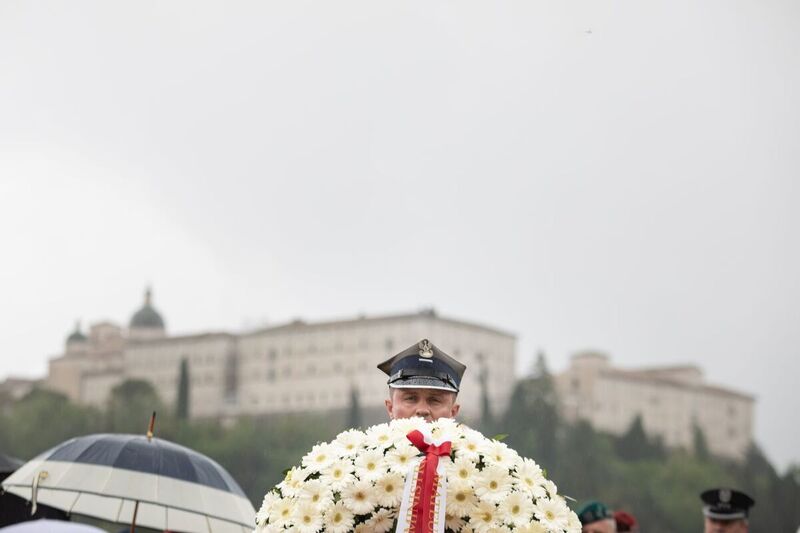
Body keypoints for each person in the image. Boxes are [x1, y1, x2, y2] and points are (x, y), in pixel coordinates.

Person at [377, 338, 466, 422]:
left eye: (435, 400)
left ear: (453, 412)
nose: (422, 410)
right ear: (390, 408)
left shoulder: (474, 438)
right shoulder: (367, 439)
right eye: (410, 398)